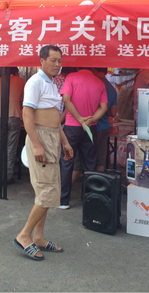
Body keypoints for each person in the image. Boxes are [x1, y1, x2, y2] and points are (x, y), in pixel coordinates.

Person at [14, 45, 73, 260]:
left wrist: (65, 142)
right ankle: (24, 235)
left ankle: (38, 237)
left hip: (52, 137)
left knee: (50, 189)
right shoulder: (35, 82)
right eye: (53, 60)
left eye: (60, 61)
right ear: (42, 60)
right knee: (46, 191)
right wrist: (37, 144)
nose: (57, 64)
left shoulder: (51, 83)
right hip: (40, 137)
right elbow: (27, 115)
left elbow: (55, 120)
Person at [59, 67, 108, 209]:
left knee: (67, 162)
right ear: (93, 68)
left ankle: (64, 201)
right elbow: (103, 108)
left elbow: (66, 99)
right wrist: (90, 120)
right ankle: (88, 198)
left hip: (71, 127)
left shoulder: (71, 77)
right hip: (90, 128)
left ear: (78, 67)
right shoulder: (99, 82)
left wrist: (80, 119)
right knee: (89, 163)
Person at [0, 67, 25, 184]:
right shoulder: (21, 80)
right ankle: (7, 176)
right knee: (11, 147)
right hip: (14, 116)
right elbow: (22, 101)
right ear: (16, 72)